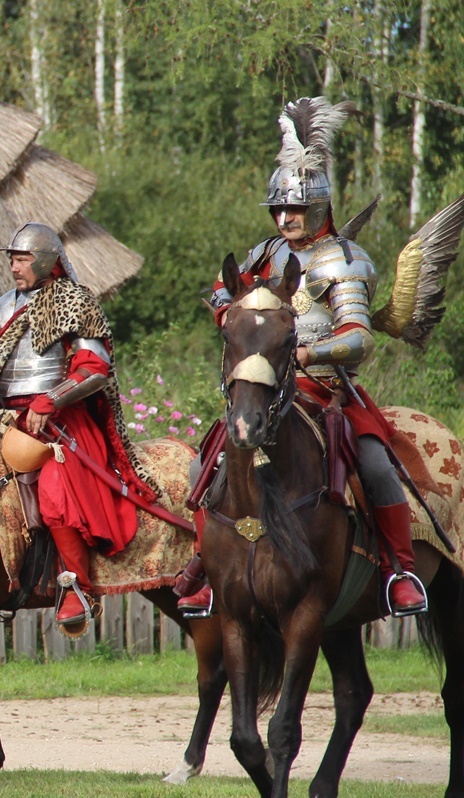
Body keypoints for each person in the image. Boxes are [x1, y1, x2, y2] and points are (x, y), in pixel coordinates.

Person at [175, 96, 426, 618]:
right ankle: (205, 566)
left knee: (376, 464)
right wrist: (227, 309)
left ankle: (399, 569)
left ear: (320, 206)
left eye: (297, 208)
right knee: (211, 456)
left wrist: (309, 350)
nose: (287, 217)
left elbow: (360, 337)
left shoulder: (344, 260)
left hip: (326, 391)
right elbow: (226, 293)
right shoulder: (266, 254)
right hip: (263, 384)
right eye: (280, 208)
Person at [0, 223, 154, 630]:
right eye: (11, 258)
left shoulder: (75, 301)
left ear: (46, 260)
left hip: (61, 419)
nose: (14, 267)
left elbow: (95, 367)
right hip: (6, 414)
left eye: (22, 258)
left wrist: (52, 399)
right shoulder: (4, 305)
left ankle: (75, 587)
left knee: (55, 487)